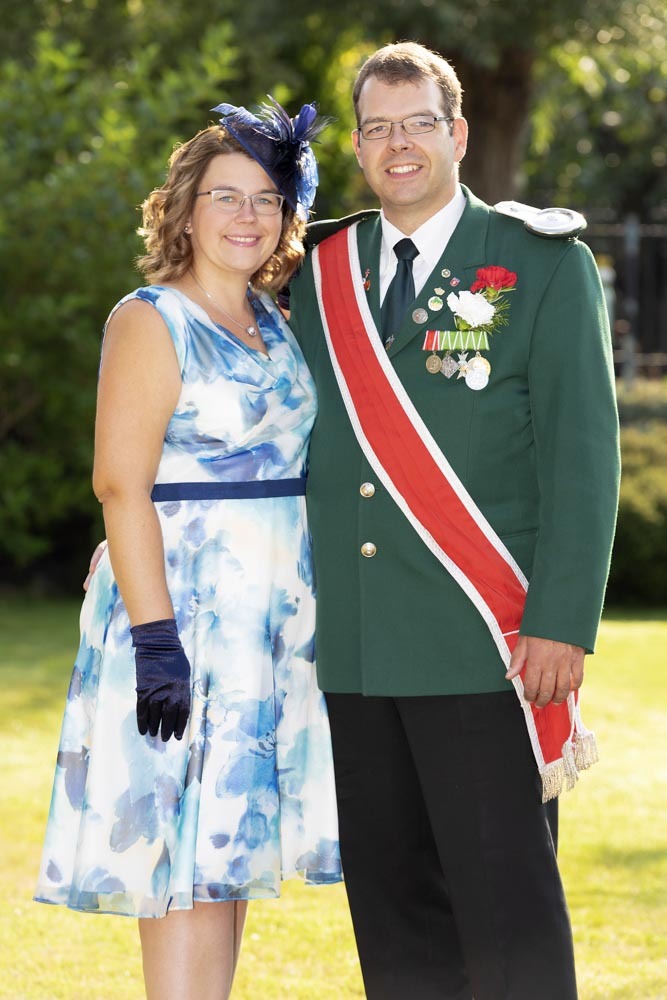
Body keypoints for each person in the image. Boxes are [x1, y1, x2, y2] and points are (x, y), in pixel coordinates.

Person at [287, 42, 620, 1000]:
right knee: (395, 921)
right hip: (357, 650)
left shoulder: (539, 265)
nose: (399, 145)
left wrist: (561, 621)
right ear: (357, 146)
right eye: (378, 128)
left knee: (507, 918)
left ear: (458, 134)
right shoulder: (315, 271)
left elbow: (581, 460)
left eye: (418, 124)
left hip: (487, 643)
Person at [34, 99, 341, 1000]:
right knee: (181, 860)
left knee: (229, 860)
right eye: (225, 196)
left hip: (271, 627)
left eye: (267, 198)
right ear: (184, 208)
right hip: (183, 617)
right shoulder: (150, 319)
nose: (248, 215)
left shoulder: (277, 320)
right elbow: (120, 485)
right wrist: (156, 641)